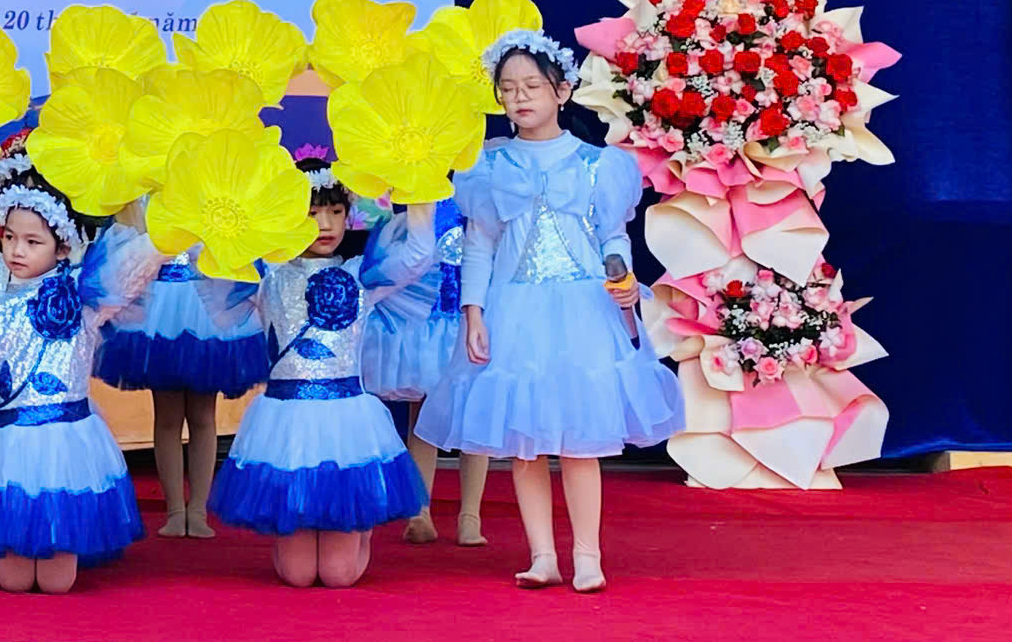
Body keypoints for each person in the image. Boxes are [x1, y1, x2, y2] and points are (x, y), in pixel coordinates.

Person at [415, 30, 685, 593]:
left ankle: (588, 556)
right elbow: (480, 244)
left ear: (561, 91)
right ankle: (542, 556)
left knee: (581, 443)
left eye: (532, 86)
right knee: (524, 443)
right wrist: (473, 311)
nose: (519, 97)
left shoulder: (597, 164)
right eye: (509, 88)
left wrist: (623, 279)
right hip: (515, 310)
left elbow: (612, 236)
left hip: (583, 309)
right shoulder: (488, 165)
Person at [0, 162, 163, 594]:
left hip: (68, 439)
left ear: (61, 248)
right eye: (10, 237)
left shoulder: (86, 298)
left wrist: (166, 229)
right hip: (6, 441)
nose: (17, 250)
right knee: (12, 581)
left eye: (32, 241)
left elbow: (135, 260)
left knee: (57, 582)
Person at [211, 174, 433, 587]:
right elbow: (211, 263)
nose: (326, 224)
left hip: (346, 426)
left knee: (338, 575)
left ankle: (358, 527)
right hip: (285, 428)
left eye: (335, 211)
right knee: (297, 576)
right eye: (311, 213)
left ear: (349, 216)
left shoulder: (361, 275)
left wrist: (422, 184)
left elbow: (418, 253)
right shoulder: (266, 275)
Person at [95, 214, 270, 540]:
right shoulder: (149, 194)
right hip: (159, 303)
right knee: (167, 416)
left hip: (208, 300)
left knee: (203, 414)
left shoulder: (212, 194)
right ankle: (175, 509)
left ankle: (198, 509)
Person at [357, 151, 491, 547]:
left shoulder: (477, 180)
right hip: (423, 308)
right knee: (424, 410)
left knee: (474, 414)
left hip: (467, 309)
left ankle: (470, 516)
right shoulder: (412, 178)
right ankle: (420, 511)